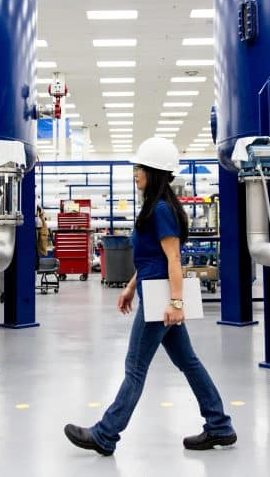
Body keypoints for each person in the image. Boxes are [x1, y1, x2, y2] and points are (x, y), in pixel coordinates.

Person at [64, 137, 237, 455]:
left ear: (154, 172)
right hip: (153, 292)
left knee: (135, 367)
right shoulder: (155, 207)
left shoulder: (161, 209)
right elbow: (150, 258)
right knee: (189, 362)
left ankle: (106, 434)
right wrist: (130, 286)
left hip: (160, 300)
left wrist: (176, 302)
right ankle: (220, 425)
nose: (135, 173)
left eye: (139, 167)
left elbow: (173, 259)